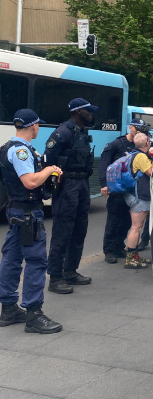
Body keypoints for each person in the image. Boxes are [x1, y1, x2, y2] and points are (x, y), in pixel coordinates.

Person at [0, 109, 63, 333]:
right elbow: (29, 182)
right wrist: (48, 170)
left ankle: (8, 308)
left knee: (12, 258)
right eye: (38, 125)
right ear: (33, 126)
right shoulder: (21, 151)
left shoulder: (10, 147)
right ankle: (34, 314)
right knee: (36, 262)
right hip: (28, 214)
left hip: (17, 211)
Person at [43, 97, 99, 294]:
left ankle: (71, 271)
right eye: (88, 111)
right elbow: (48, 161)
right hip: (67, 185)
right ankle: (55, 277)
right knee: (63, 230)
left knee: (79, 228)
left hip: (82, 183)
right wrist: (52, 185)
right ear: (77, 112)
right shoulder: (62, 132)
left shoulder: (82, 132)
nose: (91, 114)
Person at [97, 118, 143, 264]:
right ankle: (109, 250)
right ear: (130, 128)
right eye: (136, 128)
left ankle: (118, 246)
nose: (138, 132)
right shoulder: (117, 144)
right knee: (114, 220)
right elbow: (104, 163)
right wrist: (104, 184)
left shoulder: (139, 145)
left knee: (126, 221)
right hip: (117, 189)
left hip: (131, 190)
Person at [121, 132, 153, 269]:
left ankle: (135, 257)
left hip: (133, 195)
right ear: (147, 143)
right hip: (139, 196)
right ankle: (131, 259)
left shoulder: (133, 154)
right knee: (136, 227)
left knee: (136, 226)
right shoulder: (141, 156)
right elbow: (151, 173)